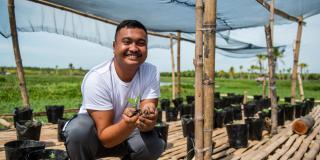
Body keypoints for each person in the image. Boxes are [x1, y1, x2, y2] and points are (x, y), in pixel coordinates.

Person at [63, 20, 165, 160]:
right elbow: (106, 139)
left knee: (154, 144)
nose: (134, 48)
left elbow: (148, 113)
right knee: (78, 130)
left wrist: (148, 120)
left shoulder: (151, 72)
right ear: (114, 46)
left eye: (141, 43)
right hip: (97, 138)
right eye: (127, 41)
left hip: (129, 134)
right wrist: (127, 124)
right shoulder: (97, 78)